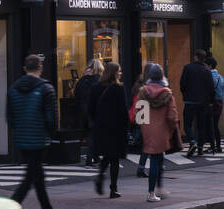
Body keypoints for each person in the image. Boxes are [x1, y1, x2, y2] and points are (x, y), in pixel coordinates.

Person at [7, 54, 63, 209]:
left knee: (36, 176)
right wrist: (51, 135)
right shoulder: (46, 89)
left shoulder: (13, 89)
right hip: (39, 139)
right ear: (40, 68)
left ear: (25, 68)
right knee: (31, 177)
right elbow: (51, 118)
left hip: (22, 138)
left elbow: (10, 117)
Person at [134, 62, 181, 201]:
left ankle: (158, 189)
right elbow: (172, 116)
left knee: (158, 159)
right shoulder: (167, 93)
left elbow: (139, 113)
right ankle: (151, 193)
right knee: (157, 160)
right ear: (161, 76)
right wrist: (171, 129)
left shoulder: (143, 92)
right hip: (163, 130)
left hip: (148, 130)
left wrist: (146, 126)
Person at [89, 61, 128, 198]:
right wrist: (126, 127)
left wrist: (97, 121)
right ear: (114, 73)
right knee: (114, 158)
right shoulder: (118, 88)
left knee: (107, 154)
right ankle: (113, 188)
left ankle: (100, 176)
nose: (121, 73)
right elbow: (123, 111)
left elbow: (90, 109)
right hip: (115, 127)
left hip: (101, 127)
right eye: (119, 71)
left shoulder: (95, 88)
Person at [179, 49, 215, 158]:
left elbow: (182, 84)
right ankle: (200, 148)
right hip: (203, 103)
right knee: (201, 126)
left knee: (187, 124)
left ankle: (192, 141)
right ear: (204, 59)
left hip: (190, 101)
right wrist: (211, 101)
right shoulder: (207, 71)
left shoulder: (188, 68)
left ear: (195, 57)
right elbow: (211, 87)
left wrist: (185, 95)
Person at [73, 58, 102, 165]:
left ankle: (95, 157)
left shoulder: (81, 80)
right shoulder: (98, 80)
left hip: (83, 110)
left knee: (90, 133)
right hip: (95, 110)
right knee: (93, 135)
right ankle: (90, 159)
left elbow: (76, 94)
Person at [206, 55, 224, 154]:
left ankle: (213, 147)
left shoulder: (209, 76)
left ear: (209, 66)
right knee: (216, 125)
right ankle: (218, 146)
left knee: (211, 125)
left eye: (205, 65)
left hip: (212, 103)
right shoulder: (220, 77)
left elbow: (208, 91)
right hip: (220, 102)